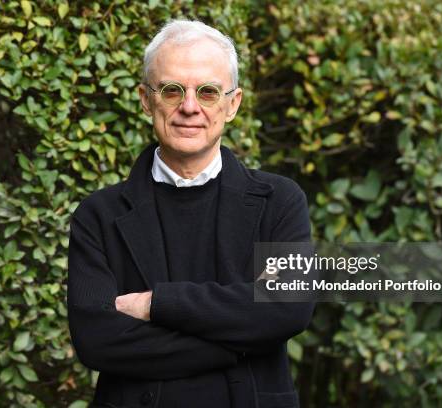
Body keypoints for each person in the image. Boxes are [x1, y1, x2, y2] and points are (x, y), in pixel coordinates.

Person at [67, 19, 314, 408]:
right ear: (146, 99)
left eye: (208, 92)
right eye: (171, 90)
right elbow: (97, 341)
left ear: (233, 104)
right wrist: (241, 341)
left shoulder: (280, 201)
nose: (189, 107)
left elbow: (287, 309)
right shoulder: (97, 215)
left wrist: (155, 305)